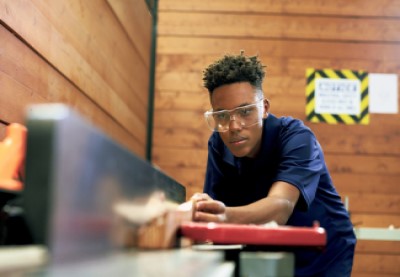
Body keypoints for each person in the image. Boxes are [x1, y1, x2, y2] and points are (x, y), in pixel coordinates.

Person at [190, 51, 356, 276]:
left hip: (324, 255)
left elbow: (280, 206)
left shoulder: (297, 138)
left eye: (246, 111)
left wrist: (223, 216)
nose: (233, 126)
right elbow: (218, 208)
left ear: (264, 108)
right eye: (221, 116)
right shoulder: (218, 144)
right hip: (272, 248)